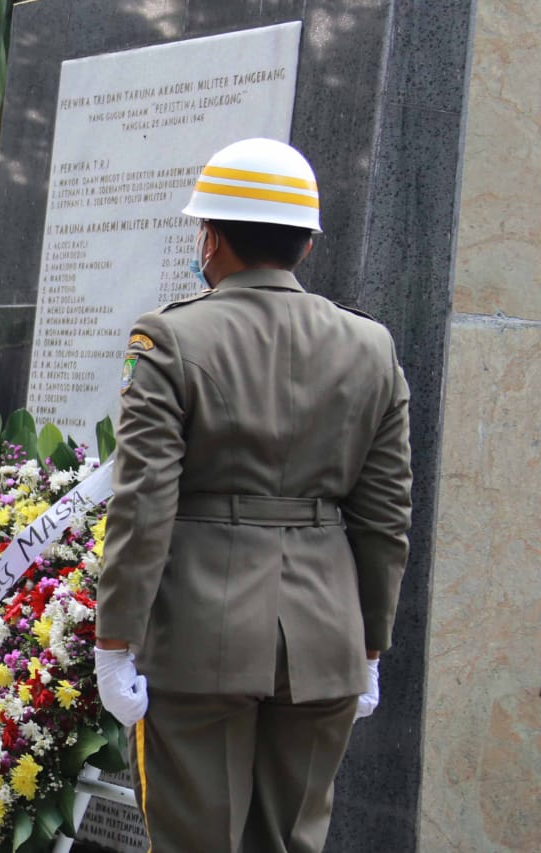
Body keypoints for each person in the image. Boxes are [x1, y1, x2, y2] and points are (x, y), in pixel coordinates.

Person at [94, 137, 413, 853]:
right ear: (305, 243)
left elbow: (144, 504)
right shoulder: (372, 347)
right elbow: (385, 518)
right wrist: (370, 644)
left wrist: (115, 641)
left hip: (201, 634)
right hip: (326, 637)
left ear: (211, 237)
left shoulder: (170, 339)